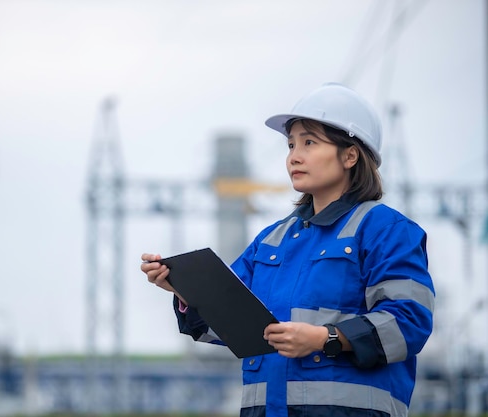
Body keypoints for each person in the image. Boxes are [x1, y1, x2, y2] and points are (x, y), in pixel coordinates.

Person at [140, 82, 435, 417]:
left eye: (309, 142)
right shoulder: (270, 240)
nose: (294, 155)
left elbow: (409, 323)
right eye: (291, 144)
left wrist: (327, 338)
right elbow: (229, 325)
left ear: (350, 155)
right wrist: (186, 290)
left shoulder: (385, 230)